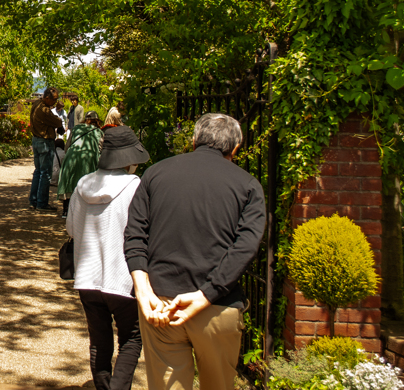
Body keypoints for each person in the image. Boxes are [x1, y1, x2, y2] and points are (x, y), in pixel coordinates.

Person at [124, 113, 266, 390]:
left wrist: (143, 292)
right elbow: (245, 248)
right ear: (235, 149)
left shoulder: (155, 173)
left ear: (193, 140)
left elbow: (135, 234)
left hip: (161, 304)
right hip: (217, 307)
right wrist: (206, 294)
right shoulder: (248, 186)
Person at [66, 124, 149, 390]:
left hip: (87, 277)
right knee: (132, 339)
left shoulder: (83, 184)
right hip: (123, 276)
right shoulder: (134, 186)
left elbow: (70, 228)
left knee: (99, 341)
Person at [58, 110, 102, 218]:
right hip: (89, 157)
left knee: (69, 181)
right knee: (86, 183)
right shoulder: (98, 131)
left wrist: (67, 154)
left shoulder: (77, 128)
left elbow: (68, 144)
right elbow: (101, 148)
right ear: (96, 120)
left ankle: (66, 210)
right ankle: (82, 211)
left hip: (72, 155)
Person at [29, 86, 65, 210]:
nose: (55, 102)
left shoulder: (37, 104)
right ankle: (42, 203)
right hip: (44, 142)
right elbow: (56, 122)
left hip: (36, 141)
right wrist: (60, 123)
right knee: (45, 173)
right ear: (47, 98)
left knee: (38, 172)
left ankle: (34, 200)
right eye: (54, 100)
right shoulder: (43, 110)